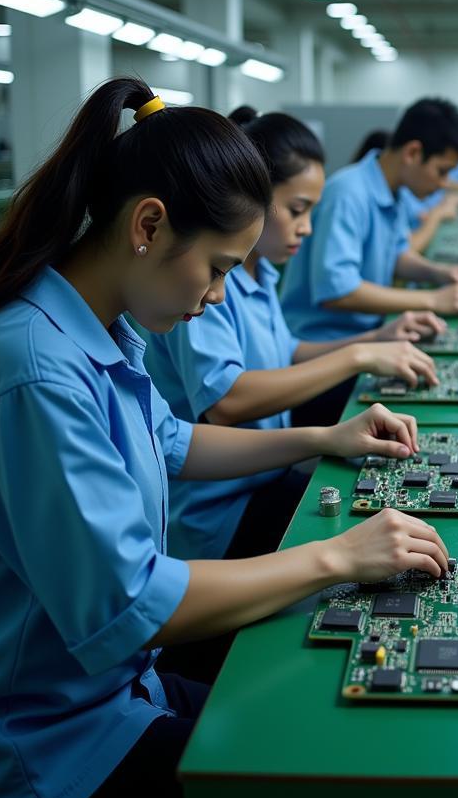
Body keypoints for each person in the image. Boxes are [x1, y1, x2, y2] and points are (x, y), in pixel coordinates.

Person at [0, 78, 449, 798]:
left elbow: (172, 440)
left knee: (314, 727)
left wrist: (328, 433)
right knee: (314, 774)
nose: (220, 295)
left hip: (119, 692)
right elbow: (128, 600)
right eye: (219, 268)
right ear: (149, 226)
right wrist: (336, 555)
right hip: (50, 742)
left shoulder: (103, 330)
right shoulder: (36, 368)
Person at [144, 110, 442, 567]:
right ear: (254, 199)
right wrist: (359, 355)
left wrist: (376, 339)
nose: (306, 228)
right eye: (297, 210)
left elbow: (287, 353)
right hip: (222, 514)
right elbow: (227, 401)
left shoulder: (259, 273)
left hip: (265, 476)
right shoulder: (197, 287)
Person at [280, 96, 458, 346]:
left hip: (365, 335)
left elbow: (397, 255)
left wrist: (441, 273)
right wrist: (434, 300)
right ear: (412, 152)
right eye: (441, 171)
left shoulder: (392, 191)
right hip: (323, 346)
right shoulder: (348, 194)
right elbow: (338, 292)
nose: (443, 184)